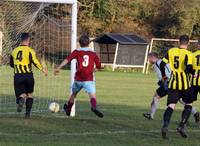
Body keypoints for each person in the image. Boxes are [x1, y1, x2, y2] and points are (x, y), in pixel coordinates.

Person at [54, 34, 104, 118]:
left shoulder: (77, 51)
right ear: (89, 43)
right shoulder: (93, 53)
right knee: (92, 95)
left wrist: (59, 67)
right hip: (88, 79)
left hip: (78, 79)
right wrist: (95, 69)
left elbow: (67, 59)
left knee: (73, 95)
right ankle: (94, 107)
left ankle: (68, 110)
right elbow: (99, 66)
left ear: (79, 43)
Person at [143, 52, 199, 121]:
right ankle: (195, 113)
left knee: (156, 97)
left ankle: (151, 115)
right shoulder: (165, 62)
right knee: (181, 100)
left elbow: (163, 75)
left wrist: (163, 81)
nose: (148, 60)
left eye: (149, 58)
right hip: (174, 82)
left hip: (168, 83)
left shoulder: (157, 64)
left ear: (152, 57)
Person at [160, 35, 194, 139]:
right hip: (185, 84)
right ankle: (181, 125)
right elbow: (188, 68)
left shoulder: (171, 51)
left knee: (171, 105)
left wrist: (164, 76)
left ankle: (165, 125)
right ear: (188, 43)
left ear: (179, 42)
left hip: (173, 83)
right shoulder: (189, 54)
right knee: (189, 104)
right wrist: (193, 73)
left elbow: (162, 64)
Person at [10, 33, 47, 118]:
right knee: (29, 94)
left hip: (18, 76)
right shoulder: (30, 50)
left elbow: (11, 64)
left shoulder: (14, 51)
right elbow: (35, 62)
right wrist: (43, 69)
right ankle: (27, 114)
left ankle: (21, 99)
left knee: (21, 94)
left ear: (21, 40)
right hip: (28, 76)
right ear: (28, 40)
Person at [191, 40, 200, 106]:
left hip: (194, 81)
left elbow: (189, 67)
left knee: (190, 101)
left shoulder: (192, 55)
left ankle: (187, 115)